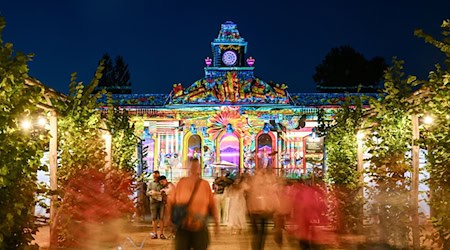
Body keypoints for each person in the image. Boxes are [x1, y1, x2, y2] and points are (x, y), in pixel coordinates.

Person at [167, 158, 219, 250]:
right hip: (183, 227)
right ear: (188, 169)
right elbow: (171, 202)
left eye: (196, 167)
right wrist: (169, 219)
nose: (194, 169)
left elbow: (212, 204)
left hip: (200, 227)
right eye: (192, 167)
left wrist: (216, 223)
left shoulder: (204, 184)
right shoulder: (181, 183)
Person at [147, 170, 165, 239]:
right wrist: (151, 193)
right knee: (154, 218)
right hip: (153, 203)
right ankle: (154, 233)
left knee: (161, 218)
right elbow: (147, 193)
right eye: (154, 176)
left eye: (156, 176)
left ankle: (161, 233)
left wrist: (160, 193)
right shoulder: (151, 184)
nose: (155, 177)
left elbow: (165, 191)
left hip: (161, 203)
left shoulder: (162, 183)